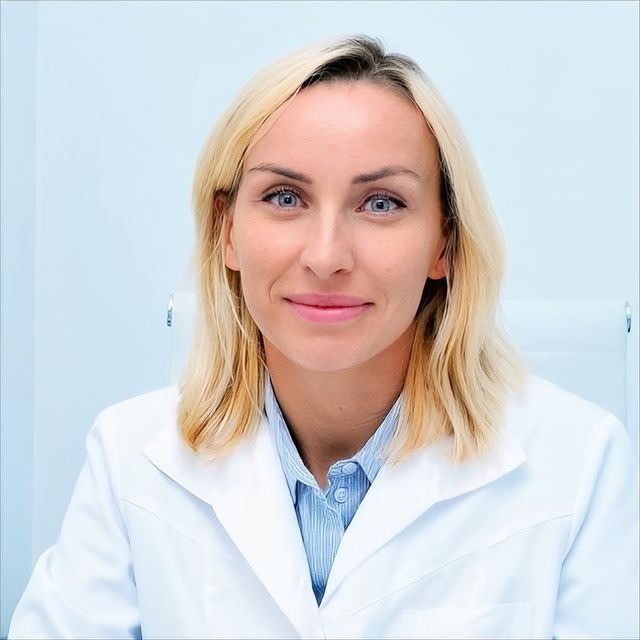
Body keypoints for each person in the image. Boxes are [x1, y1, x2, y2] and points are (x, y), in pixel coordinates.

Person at [9, 35, 639, 639]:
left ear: (443, 242)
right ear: (227, 232)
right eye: (285, 197)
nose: (327, 255)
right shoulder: (128, 459)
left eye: (381, 203)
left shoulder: (580, 466)